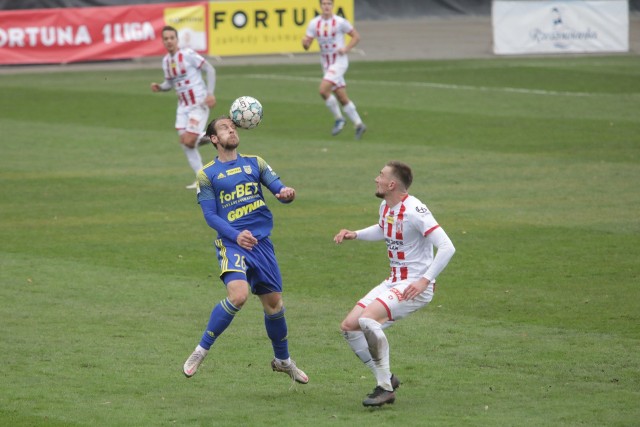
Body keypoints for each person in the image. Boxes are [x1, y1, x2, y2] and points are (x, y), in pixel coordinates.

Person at [182, 116, 309, 385]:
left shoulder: (255, 163)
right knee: (238, 296)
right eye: (224, 128)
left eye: (233, 126)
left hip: (262, 245)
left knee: (274, 305)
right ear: (214, 139)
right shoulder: (207, 174)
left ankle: (283, 361)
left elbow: (279, 190)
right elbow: (210, 216)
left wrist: (287, 193)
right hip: (232, 243)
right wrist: (236, 235)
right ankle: (200, 350)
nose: (231, 130)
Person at [334, 161, 455, 407]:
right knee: (350, 327)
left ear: (392, 184)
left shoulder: (415, 210)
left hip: (414, 286)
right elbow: (384, 229)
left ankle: (384, 388)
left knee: (367, 320)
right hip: (394, 282)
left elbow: (447, 247)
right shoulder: (386, 206)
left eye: (380, 175)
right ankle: (387, 378)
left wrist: (425, 280)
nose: (375, 179)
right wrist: (355, 234)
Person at [151, 25, 217, 189]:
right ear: (163, 41)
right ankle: (202, 179)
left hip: (198, 104)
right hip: (182, 107)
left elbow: (210, 69)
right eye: (166, 39)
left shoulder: (187, 55)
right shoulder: (166, 61)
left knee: (189, 140)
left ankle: (217, 136)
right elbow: (169, 84)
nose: (169, 41)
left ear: (177, 39)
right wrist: (160, 87)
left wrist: (210, 93)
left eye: (172, 38)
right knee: (185, 143)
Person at [302, 0, 367, 140]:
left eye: (329, 4)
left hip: (339, 62)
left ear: (333, 6)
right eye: (324, 4)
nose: (326, 6)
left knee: (323, 90)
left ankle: (339, 119)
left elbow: (356, 36)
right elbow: (307, 43)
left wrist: (346, 48)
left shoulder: (340, 22)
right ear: (320, 6)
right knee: (341, 97)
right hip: (326, 64)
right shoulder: (314, 23)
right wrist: (305, 43)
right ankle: (359, 124)